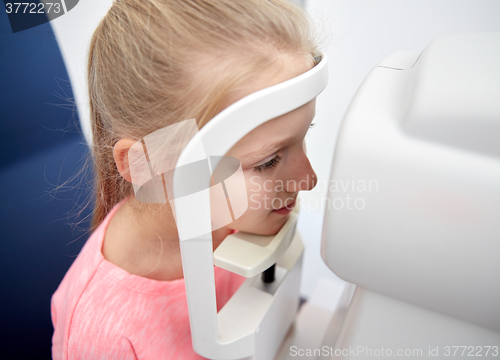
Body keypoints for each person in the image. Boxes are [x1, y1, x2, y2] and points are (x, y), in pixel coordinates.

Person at [51, 0, 321, 358]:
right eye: (268, 161)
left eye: (304, 135)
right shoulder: (103, 336)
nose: (308, 179)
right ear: (149, 165)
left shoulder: (232, 217)